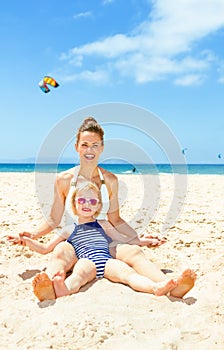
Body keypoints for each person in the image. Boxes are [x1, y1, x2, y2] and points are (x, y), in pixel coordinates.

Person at [8, 117, 196, 300]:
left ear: (102, 147)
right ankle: (48, 287)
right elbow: (54, 219)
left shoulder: (110, 180)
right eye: (84, 144)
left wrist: (137, 239)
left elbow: (116, 219)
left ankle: (169, 285)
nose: (89, 150)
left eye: (95, 145)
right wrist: (32, 235)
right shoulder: (64, 179)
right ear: (76, 147)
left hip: (105, 237)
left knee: (134, 252)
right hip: (75, 240)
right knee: (59, 251)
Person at [13, 181, 179, 300]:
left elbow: (123, 240)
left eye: (92, 201)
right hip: (86, 260)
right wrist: (27, 241)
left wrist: (143, 241)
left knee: (128, 274)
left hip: (106, 261)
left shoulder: (103, 223)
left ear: (98, 206)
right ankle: (64, 289)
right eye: (82, 200)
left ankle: (155, 287)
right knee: (79, 274)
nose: (87, 204)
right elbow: (45, 249)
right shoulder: (69, 229)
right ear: (74, 204)